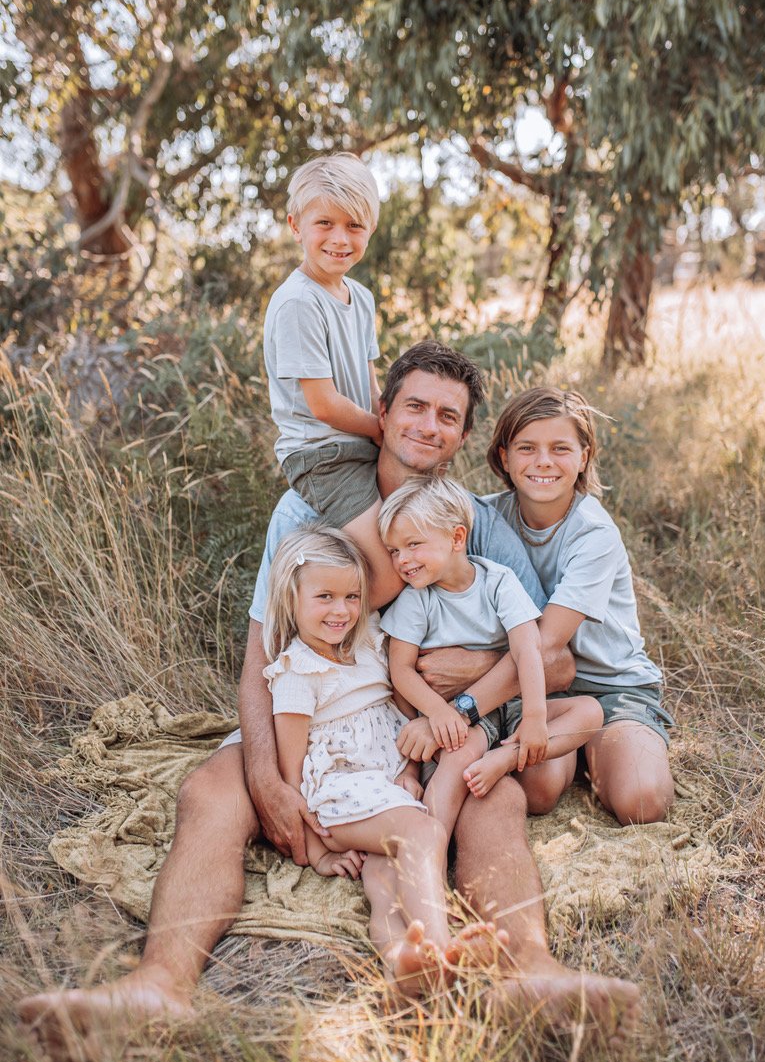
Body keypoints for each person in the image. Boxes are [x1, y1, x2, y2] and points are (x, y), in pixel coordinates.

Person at [18, 348, 640, 1062]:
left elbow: (552, 659)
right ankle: (158, 986)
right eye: (414, 406)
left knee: (488, 796)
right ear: (381, 411)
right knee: (212, 791)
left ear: (465, 438)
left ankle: (531, 971)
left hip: (423, 721)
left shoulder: (473, 521)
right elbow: (261, 661)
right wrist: (268, 782)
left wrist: (467, 677)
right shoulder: (305, 506)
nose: (429, 426)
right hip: (312, 708)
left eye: (449, 416)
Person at [227, 524, 501, 995]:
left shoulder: (368, 642)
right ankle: (441, 944)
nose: (341, 610)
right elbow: (295, 777)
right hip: (340, 790)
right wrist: (317, 850)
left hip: (383, 779)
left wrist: (409, 771)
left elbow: (399, 713)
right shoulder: (298, 671)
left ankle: (405, 963)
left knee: (382, 876)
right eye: (325, 597)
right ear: (291, 600)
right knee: (422, 832)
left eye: (352, 597)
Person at [399, 387, 674, 826]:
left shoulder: (592, 534)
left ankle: (613, 743)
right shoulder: (482, 520)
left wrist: (463, 702)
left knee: (641, 801)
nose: (543, 461)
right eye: (527, 448)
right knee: (540, 791)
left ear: (584, 457)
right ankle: (572, 756)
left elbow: (545, 646)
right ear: (504, 457)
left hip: (608, 685)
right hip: (536, 691)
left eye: (560, 448)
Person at [378, 475, 603, 840]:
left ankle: (506, 758)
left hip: (510, 703)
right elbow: (400, 669)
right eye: (394, 551)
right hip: (460, 718)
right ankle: (426, 847)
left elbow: (528, 649)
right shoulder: (417, 599)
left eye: (413, 545)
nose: (403, 560)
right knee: (456, 762)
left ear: (456, 538)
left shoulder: (497, 581)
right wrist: (436, 712)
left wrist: (534, 716)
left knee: (590, 711)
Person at [265, 151, 400, 604]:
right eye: (325, 223)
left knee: (420, 529)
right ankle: (338, 654)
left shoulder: (359, 298)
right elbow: (323, 404)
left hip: (359, 443)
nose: (340, 238)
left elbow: (367, 383)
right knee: (389, 572)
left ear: (370, 231)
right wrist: (382, 432)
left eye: (354, 226)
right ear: (295, 225)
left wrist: (390, 425)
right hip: (321, 456)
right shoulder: (298, 303)